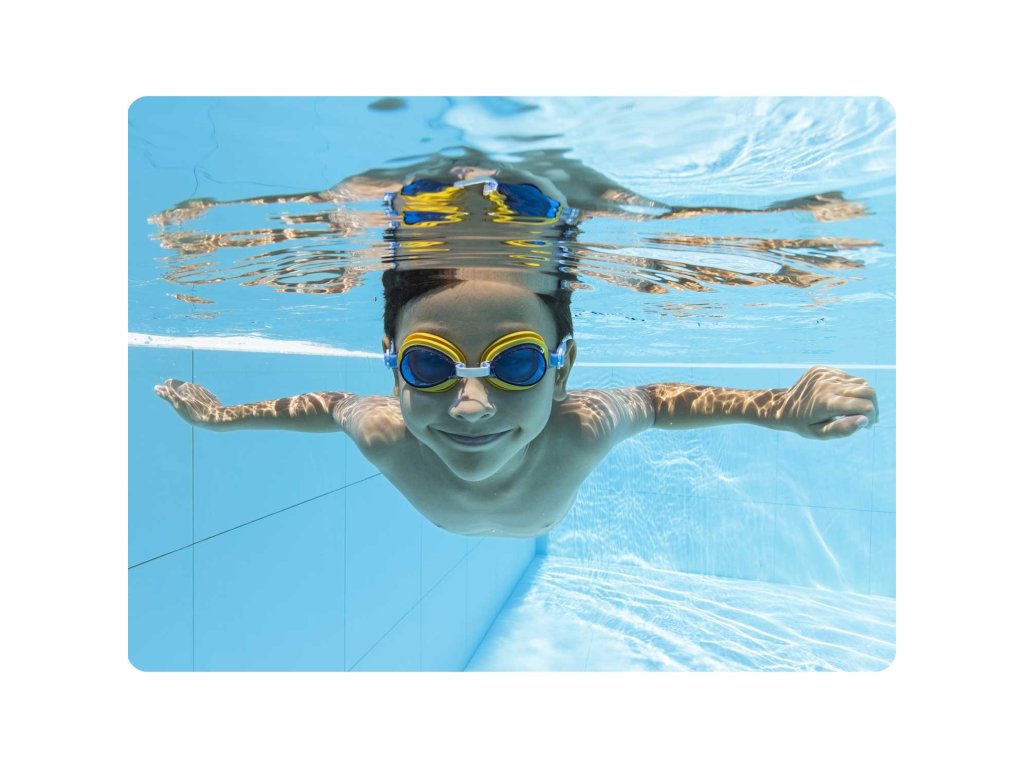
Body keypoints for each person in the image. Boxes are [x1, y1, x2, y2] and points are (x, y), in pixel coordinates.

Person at [155, 169, 878, 537]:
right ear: (392, 364)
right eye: (429, 365)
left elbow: (660, 402)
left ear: (564, 366)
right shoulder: (382, 430)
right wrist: (222, 418)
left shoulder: (580, 428)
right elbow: (327, 406)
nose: (471, 407)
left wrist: (782, 409)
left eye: (517, 364)